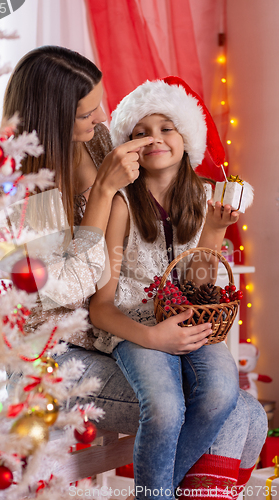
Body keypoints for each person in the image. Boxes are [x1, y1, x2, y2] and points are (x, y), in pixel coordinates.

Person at [3, 47, 267, 500]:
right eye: (87, 112)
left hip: (117, 332)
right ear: (53, 118)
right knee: (238, 414)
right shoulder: (29, 190)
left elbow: (167, 190)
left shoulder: (98, 139)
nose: (102, 117)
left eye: (100, 103)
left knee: (244, 410)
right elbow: (71, 288)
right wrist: (104, 192)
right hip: (55, 352)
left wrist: (210, 222)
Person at [89, 77, 267, 500]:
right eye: (140, 133)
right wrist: (152, 336)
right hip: (135, 327)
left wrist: (214, 232)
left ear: (187, 137)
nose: (154, 139)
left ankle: (154, 492)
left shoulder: (207, 199)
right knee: (165, 409)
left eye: (166, 128)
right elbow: (101, 307)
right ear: (128, 146)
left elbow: (198, 286)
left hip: (191, 321)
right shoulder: (123, 205)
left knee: (223, 391)